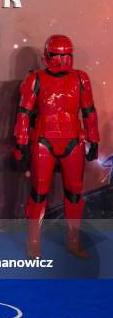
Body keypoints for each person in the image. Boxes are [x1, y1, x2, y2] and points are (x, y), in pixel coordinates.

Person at [13, 35, 100, 259]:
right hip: (43, 142)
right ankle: (33, 243)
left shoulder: (81, 78)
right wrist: (20, 143)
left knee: (74, 194)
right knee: (39, 194)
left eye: (66, 54)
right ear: (47, 56)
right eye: (57, 54)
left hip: (73, 141)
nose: (62, 59)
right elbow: (23, 113)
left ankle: (73, 240)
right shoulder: (35, 79)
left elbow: (89, 111)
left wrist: (94, 139)